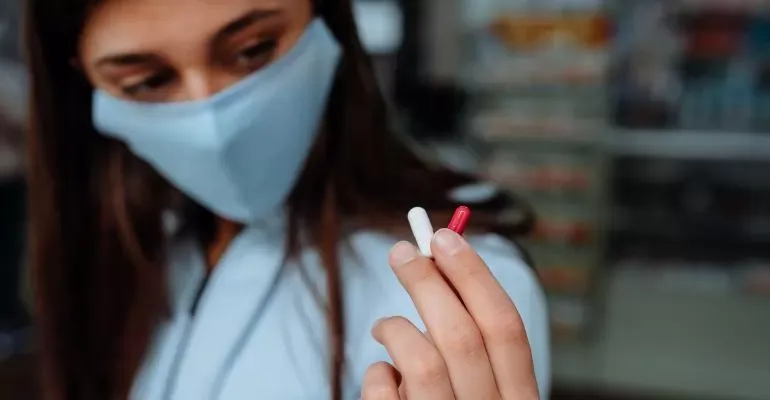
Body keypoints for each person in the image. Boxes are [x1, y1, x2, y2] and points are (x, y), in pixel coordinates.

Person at [23, 0, 550, 398]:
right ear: (82, 81)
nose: (213, 124)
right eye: (146, 81)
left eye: (253, 50)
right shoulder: (134, 248)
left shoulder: (449, 297)